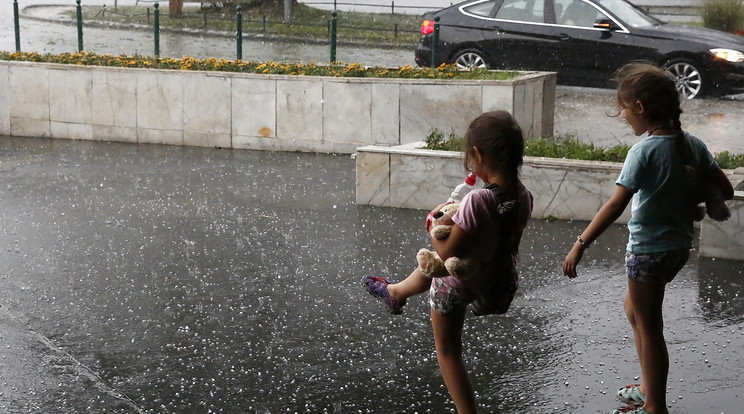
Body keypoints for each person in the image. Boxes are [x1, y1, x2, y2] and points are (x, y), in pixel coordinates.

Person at [562, 62, 734, 414]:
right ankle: (647, 386)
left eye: (624, 108)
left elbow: (614, 206)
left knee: (650, 326)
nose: (623, 116)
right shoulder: (692, 144)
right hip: (676, 249)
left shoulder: (643, 151)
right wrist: (693, 186)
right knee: (634, 310)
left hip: (647, 253)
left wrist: (580, 245)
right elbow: (725, 190)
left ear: (639, 107)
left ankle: (655, 405)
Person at [362, 110, 534, 413]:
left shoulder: (478, 200)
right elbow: (491, 236)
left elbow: (444, 252)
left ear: (477, 154)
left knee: (449, 351)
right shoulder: (524, 196)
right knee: (429, 268)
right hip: (497, 278)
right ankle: (396, 292)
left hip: (458, 286)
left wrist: (433, 221)